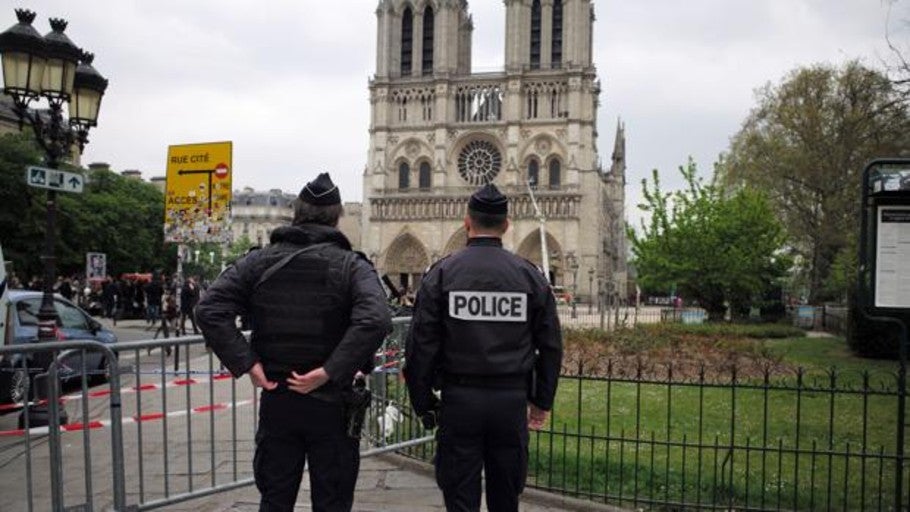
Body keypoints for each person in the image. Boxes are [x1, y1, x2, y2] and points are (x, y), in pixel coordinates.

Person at [196, 172, 392, 512]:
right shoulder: (351, 266)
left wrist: (248, 364)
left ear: (295, 213)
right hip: (332, 402)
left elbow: (209, 308)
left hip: (278, 397)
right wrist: (329, 371)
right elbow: (376, 318)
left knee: (275, 499)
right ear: (336, 217)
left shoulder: (259, 260)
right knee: (332, 501)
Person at [404, 183, 563, 512]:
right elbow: (550, 345)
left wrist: (424, 403)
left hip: (459, 402)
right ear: (506, 225)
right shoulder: (530, 276)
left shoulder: (442, 273)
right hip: (511, 401)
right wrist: (541, 400)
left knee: (460, 495)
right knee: (506, 496)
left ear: (467, 222)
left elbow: (421, 346)